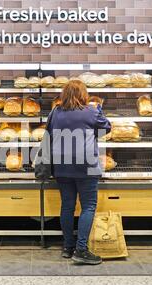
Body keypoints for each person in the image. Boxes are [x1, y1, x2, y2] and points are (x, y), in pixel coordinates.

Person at [47, 80, 111, 265]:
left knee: (67, 206)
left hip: (62, 165)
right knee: (88, 206)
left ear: (64, 94)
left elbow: (50, 133)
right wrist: (98, 109)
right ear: (84, 95)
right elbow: (106, 128)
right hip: (86, 165)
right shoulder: (92, 111)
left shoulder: (55, 112)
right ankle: (81, 249)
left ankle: (68, 247)